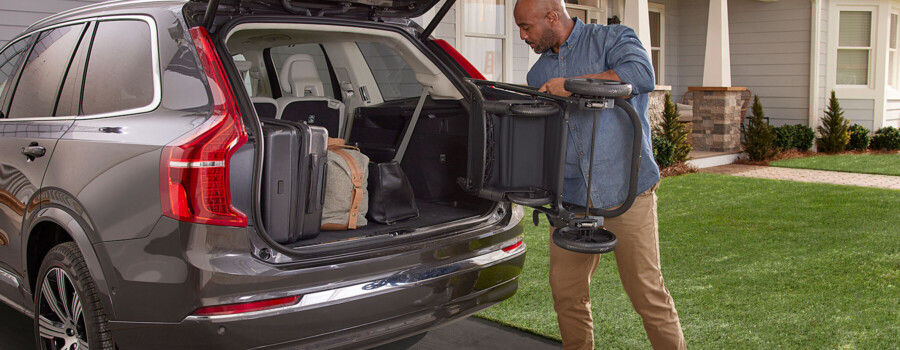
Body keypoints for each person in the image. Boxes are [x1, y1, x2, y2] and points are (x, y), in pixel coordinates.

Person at [513, 0, 686, 349]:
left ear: (552, 17)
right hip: (571, 198)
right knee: (566, 293)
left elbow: (640, 75)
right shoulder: (538, 75)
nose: (522, 36)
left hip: (626, 191)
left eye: (526, 27)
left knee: (647, 294)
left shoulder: (613, 39)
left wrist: (572, 84)